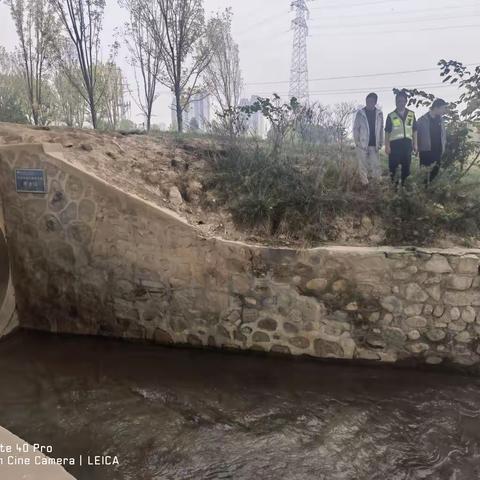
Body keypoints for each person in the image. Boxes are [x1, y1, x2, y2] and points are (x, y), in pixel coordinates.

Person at [385, 91, 418, 186]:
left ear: (405, 102)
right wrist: (387, 146)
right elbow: (387, 131)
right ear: (396, 102)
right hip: (395, 145)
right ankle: (394, 188)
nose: (401, 103)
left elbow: (415, 130)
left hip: (407, 144)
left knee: (406, 167)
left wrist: (415, 144)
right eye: (398, 101)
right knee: (393, 167)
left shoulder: (411, 114)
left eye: (403, 101)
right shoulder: (391, 115)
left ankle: (404, 187)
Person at [353, 92, 384, 185]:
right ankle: (364, 183)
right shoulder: (360, 113)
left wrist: (381, 142)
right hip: (362, 144)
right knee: (362, 165)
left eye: (371, 101)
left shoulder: (379, 114)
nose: (369, 102)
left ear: (375, 102)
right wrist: (357, 142)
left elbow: (381, 128)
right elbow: (355, 129)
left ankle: (377, 182)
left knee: (376, 165)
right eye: (368, 101)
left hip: (375, 143)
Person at [417, 98, 448, 183]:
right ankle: (422, 189)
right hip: (426, 151)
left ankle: (426, 186)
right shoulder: (422, 120)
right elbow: (416, 134)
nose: (444, 111)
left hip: (437, 151)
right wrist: (416, 147)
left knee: (435, 170)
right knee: (424, 172)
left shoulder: (441, 120)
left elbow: (443, 135)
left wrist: (443, 145)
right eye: (443, 108)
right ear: (436, 107)